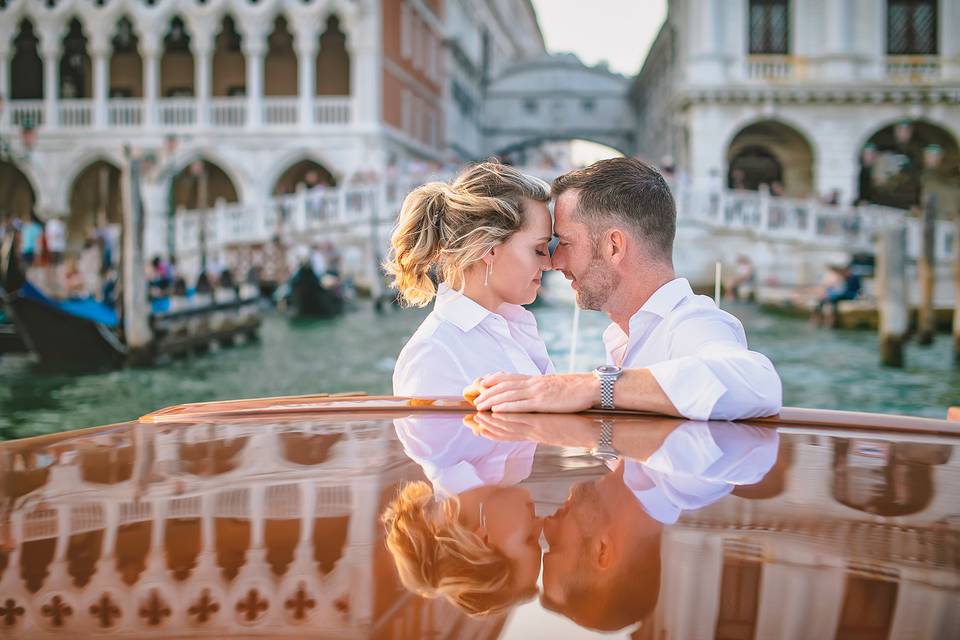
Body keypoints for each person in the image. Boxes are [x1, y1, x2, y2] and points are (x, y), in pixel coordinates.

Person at [472, 157, 781, 421]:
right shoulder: (626, 331)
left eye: (565, 243)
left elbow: (756, 382)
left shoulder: (692, 322)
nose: (554, 261)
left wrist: (586, 387)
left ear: (614, 246)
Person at [470, 412, 778, 632]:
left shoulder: (606, 447)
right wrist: (599, 387)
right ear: (602, 551)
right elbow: (746, 386)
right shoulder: (698, 474)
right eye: (556, 544)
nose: (545, 526)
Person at [387, 161, 554, 396]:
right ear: (489, 249)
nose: (549, 263)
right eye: (538, 249)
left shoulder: (515, 328)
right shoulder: (433, 353)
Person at [381, 415, 543, 617]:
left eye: (530, 539)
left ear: (480, 540)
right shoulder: (512, 466)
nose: (541, 525)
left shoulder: (431, 437)